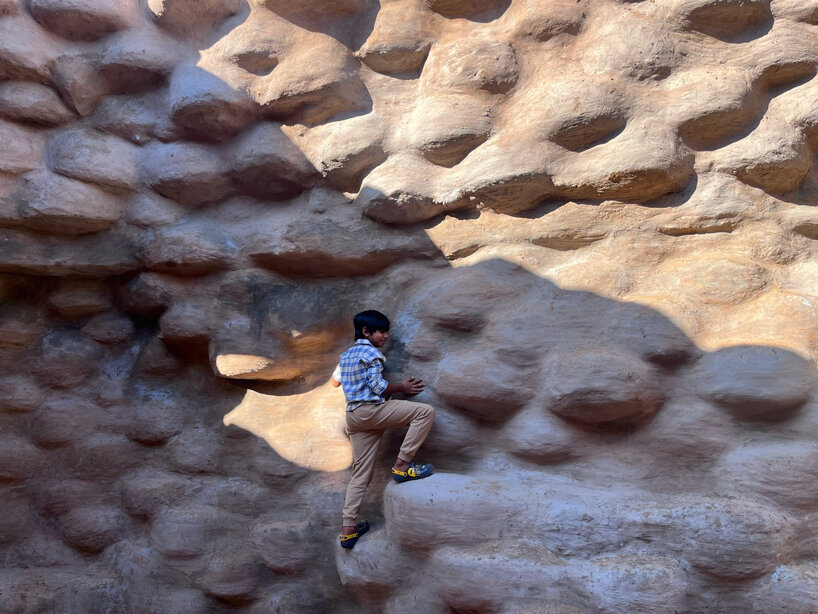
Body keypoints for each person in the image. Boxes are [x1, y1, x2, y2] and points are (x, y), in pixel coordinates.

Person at [337, 310, 435, 549]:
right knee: (424, 412)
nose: (385, 336)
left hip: (354, 417)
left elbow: (335, 381)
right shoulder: (372, 352)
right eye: (380, 331)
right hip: (372, 411)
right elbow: (378, 386)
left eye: (386, 331)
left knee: (360, 475)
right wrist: (402, 386)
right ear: (366, 332)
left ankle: (348, 530)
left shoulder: (346, 355)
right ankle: (402, 466)